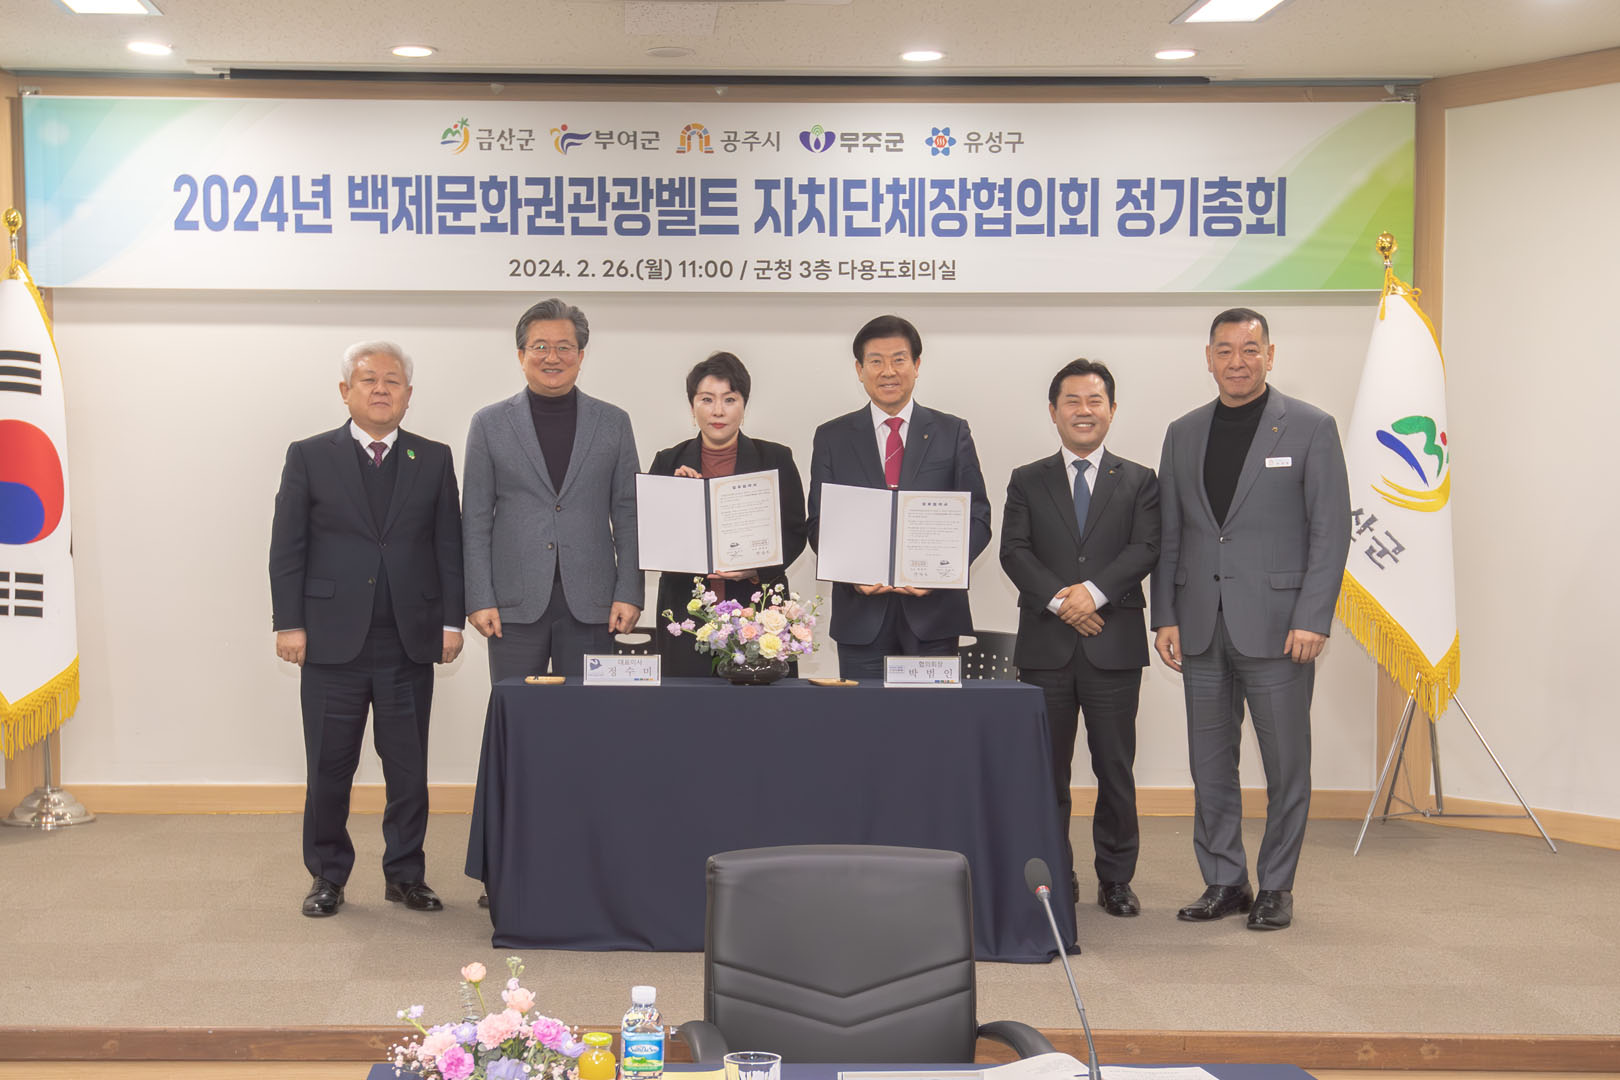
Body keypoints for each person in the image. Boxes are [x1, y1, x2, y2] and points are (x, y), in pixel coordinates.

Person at [1151, 308, 1350, 931]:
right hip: (1200, 626)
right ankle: (1225, 881)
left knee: (1286, 764)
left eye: (1250, 349)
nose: (1237, 361)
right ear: (1208, 358)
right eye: (1225, 350)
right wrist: (1165, 614)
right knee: (1210, 763)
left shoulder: (1311, 428)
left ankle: (1277, 887)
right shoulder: (1183, 432)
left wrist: (1313, 616)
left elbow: (1331, 530)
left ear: (1270, 354)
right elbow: (1171, 532)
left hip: (1282, 629)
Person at [269, 341, 465, 918]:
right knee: (329, 767)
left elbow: (448, 548)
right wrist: (290, 623)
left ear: (408, 393)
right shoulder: (309, 455)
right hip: (331, 642)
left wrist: (451, 621)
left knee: (408, 769)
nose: (381, 389)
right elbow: (287, 547)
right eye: (368, 379)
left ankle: (405, 875)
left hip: (409, 640)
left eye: (393, 380)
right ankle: (327, 876)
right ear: (345, 391)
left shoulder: (433, 458)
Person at [1000, 359, 1160, 917]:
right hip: (1046, 648)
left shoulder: (1139, 479)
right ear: (1053, 411)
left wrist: (1092, 594)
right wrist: (1062, 602)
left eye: (1095, 401)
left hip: (1113, 645)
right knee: (1048, 772)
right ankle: (1056, 872)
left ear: (1112, 410)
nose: (1083, 411)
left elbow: (1145, 548)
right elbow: (1013, 550)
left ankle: (1115, 879)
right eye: (1072, 401)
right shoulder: (1027, 478)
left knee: (1115, 769)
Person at [462, 297, 642, 682]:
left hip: (594, 603)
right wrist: (479, 598)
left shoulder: (613, 423)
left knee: (589, 713)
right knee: (516, 708)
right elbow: (475, 519)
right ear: (521, 355)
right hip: (512, 605)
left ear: (581, 355)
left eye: (564, 347)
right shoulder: (489, 424)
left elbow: (629, 515)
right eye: (540, 346)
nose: (552, 357)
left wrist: (629, 592)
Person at [806, 314, 991, 680]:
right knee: (864, 715)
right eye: (876, 361)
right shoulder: (832, 437)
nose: (888, 371)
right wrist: (850, 573)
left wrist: (941, 573)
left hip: (933, 617)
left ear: (917, 365)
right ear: (859, 370)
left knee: (930, 716)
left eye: (898, 359)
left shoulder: (952, 432)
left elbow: (978, 517)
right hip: (861, 617)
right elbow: (818, 523)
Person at [647, 351, 807, 677]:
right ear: (692, 407)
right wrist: (676, 498)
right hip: (686, 610)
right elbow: (650, 536)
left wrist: (755, 568)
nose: (718, 410)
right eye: (707, 399)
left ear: (744, 406)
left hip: (757, 609)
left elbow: (794, 532)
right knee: (686, 701)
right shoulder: (668, 462)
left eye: (729, 399)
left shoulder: (774, 458)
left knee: (761, 703)